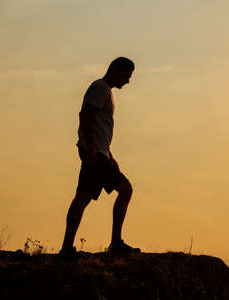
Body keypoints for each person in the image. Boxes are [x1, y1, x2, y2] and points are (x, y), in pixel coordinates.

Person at [59, 57, 139, 257]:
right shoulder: (100, 88)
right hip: (95, 153)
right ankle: (109, 243)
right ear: (115, 70)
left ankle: (73, 246)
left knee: (88, 196)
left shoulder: (107, 91)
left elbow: (100, 125)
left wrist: (109, 153)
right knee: (111, 192)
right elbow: (85, 115)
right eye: (126, 76)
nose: (127, 81)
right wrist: (91, 148)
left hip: (102, 154)